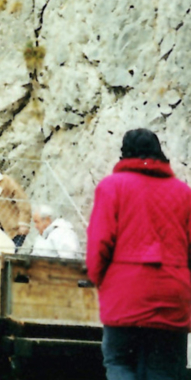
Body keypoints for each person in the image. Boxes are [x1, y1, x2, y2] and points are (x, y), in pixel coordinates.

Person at [87, 128, 191, 380]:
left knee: (120, 363)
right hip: (172, 297)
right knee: (163, 370)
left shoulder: (111, 187)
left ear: (124, 154)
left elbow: (99, 243)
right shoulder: (184, 193)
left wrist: (102, 281)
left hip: (125, 295)